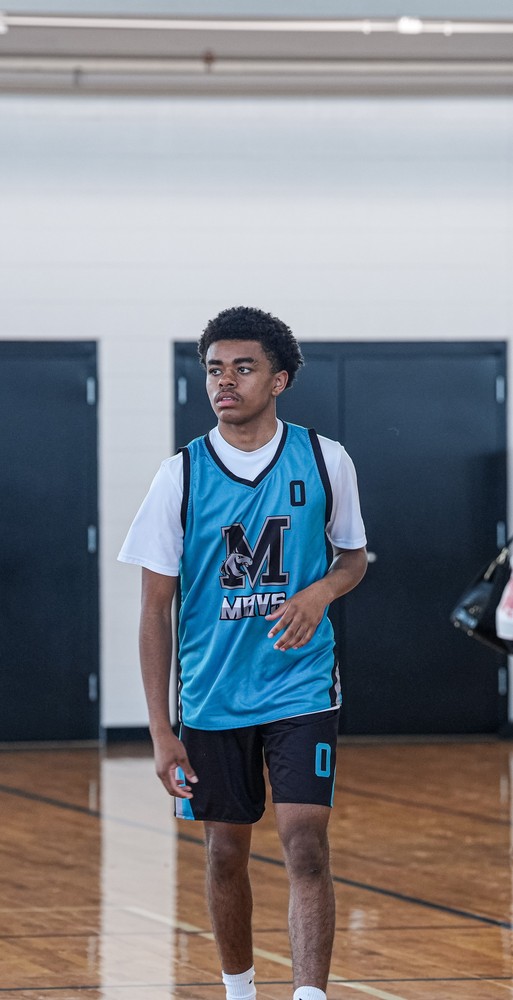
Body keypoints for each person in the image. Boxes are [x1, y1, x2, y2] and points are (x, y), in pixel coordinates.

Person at [118, 306, 367, 1000]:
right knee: (225, 851)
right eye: (214, 370)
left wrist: (319, 593)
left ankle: (310, 994)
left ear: (279, 379)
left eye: (243, 368)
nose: (224, 382)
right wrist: (160, 730)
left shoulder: (325, 460)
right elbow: (153, 610)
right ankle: (239, 989)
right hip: (212, 695)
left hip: (300, 685)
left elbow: (353, 559)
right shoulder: (179, 477)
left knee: (305, 844)